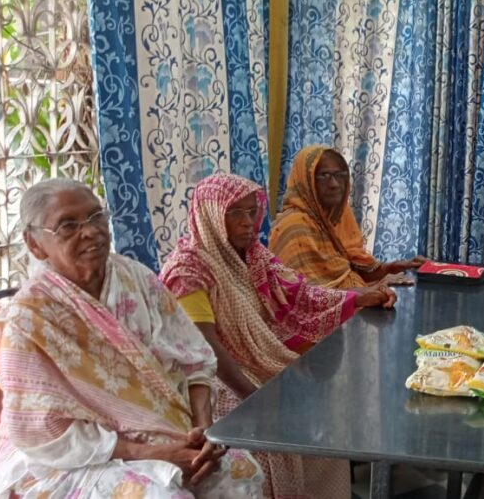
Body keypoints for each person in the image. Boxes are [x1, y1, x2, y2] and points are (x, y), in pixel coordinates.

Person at [0, 178, 264, 497]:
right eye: (68, 225)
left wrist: (203, 430)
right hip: (82, 456)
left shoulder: (134, 278)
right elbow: (41, 430)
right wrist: (158, 454)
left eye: (97, 217)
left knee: (240, 470)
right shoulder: (31, 316)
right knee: (162, 495)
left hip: (171, 431)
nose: (91, 231)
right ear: (35, 244)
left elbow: (197, 361)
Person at [159, 173, 396, 498]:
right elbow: (207, 352)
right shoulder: (188, 273)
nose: (248, 223)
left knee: (327, 432)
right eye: (235, 213)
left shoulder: (254, 257)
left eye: (251, 211)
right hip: (216, 384)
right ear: (211, 214)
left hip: (261, 369)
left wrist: (360, 297)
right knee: (275, 443)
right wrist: (257, 400)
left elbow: (303, 296)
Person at [270, 145, 426, 288]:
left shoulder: (339, 215)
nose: (334, 184)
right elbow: (302, 296)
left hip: (353, 307)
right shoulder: (293, 226)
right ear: (307, 180)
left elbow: (355, 269)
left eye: (339, 175)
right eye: (324, 175)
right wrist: (360, 295)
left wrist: (394, 267)